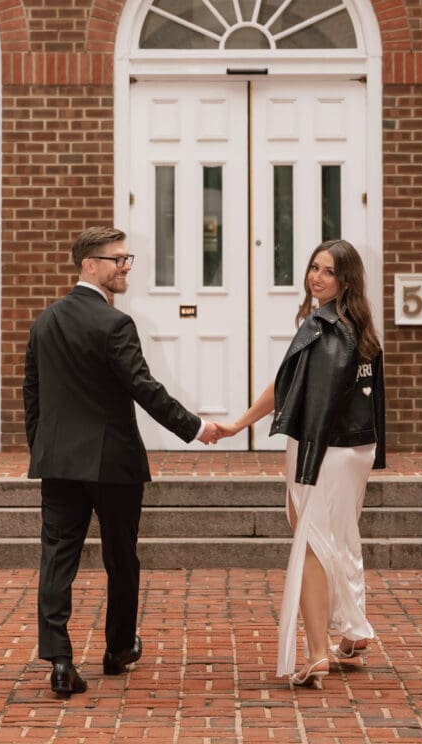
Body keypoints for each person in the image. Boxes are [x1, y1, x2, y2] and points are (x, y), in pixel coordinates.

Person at [23, 226, 219, 698]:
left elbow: (32, 395)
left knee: (57, 558)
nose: (125, 267)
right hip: (114, 463)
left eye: (127, 258)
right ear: (89, 265)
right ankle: (117, 649)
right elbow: (143, 388)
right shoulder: (114, 324)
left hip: (59, 463)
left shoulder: (45, 321)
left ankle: (60, 659)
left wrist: (42, 447)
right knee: (120, 558)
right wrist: (194, 427)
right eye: (118, 259)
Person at [216, 239, 385, 688]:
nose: (316, 277)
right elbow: (304, 385)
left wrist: (299, 457)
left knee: (311, 540)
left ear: (346, 279)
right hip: (356, 449)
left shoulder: (323, 325)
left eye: (328, 271)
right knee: (340, 534)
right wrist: (240, 424)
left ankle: (315, 653)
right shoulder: (360, 324)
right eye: (313, 267)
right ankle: (352, 632)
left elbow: (312, 397)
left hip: (323, 446)